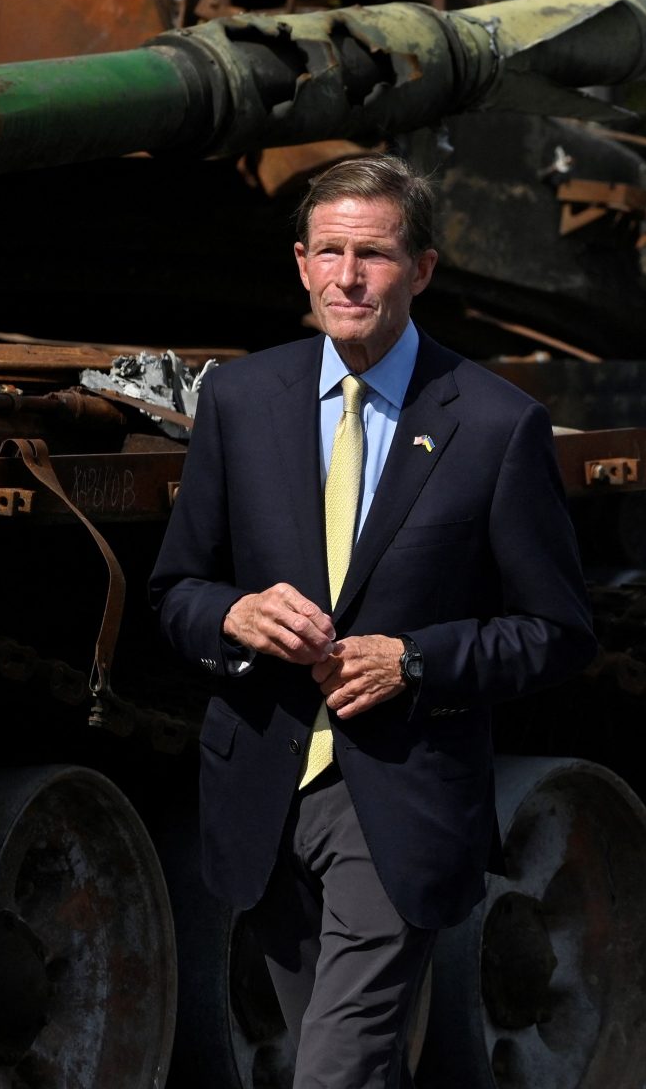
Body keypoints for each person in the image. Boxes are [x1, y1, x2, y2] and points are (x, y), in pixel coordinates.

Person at [149, 154, 595, 1089]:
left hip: (400, 796)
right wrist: (233, 613)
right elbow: (175, 590)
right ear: (302, 263)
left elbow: (557, 630)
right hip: (265, 790)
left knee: (335, 1070)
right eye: (331, 252)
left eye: (377, 255)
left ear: (423, 269)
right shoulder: (237, 400)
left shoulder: (497, 424)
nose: (349, 277)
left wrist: (417, 661)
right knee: (354, 1062)